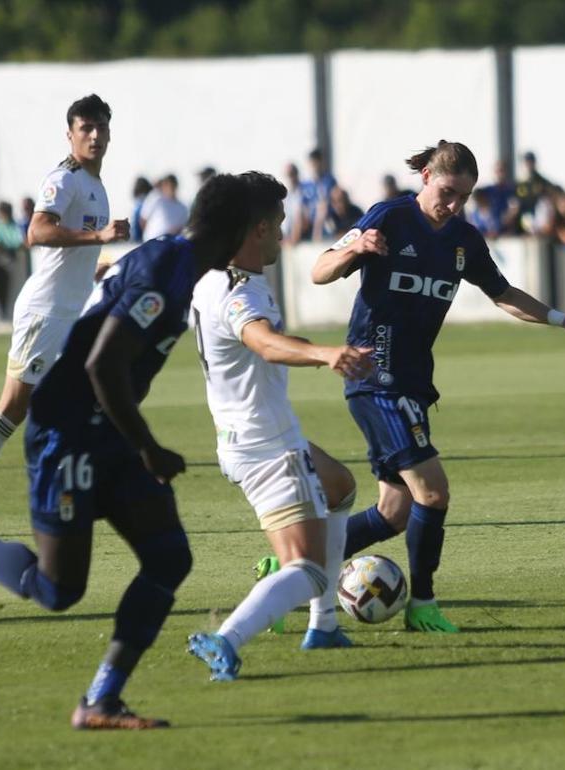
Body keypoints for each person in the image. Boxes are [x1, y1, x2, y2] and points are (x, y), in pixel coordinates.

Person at [0, 172, 257, 730]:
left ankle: (101, 701)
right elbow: (102, 365)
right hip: (66, 433)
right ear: (240, 231)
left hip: (109, 433)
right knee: (57, 591)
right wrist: (149, 447)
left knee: (170, 558)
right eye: (269, 228)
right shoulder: (167, 271)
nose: (277, 238)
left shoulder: (177, 262)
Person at [311, 140, 565, 633]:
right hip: (375, 378)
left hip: (412, 384)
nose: (453, 204)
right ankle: (423, 604)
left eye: (464, 197)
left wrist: (562, 319)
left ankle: (293, 566)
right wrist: (353, 250)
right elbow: (319, 270)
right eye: (448, 191)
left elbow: (503, 293)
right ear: (426, 175)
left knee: (394, 510)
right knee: (433, 493)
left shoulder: (463, 240)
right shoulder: (388, 216)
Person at [185, 173, 373, 682]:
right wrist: (325, 353)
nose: (284, 232)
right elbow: (264, 343)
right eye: (279, 223)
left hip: (239, 437)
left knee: (340, 488)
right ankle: (226, 639)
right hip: (268, 446)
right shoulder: (242, 291)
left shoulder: (207, 276)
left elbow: (263, 341)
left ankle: (325, 627)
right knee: (307, 570)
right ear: (258, 229)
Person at [0, 94, 128, 519]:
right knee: (12, 407)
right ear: (70, 134)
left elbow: (64, 251)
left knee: (85, 399)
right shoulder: (65, 179)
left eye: (100, 128)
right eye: (86, 128)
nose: (94, 136)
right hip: (45, 314)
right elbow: (36, 232)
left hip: (69, 313)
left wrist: (94, 264)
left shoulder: (95, 186)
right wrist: (97, 240)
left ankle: (74, 495)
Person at [140, 174, 188, 240]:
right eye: (167, 185)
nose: (170, 188)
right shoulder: (155, 198)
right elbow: (143, 219)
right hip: (152, 241)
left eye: (172, 186)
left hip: (169, 243)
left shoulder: (182, 208)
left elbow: (182, 228)